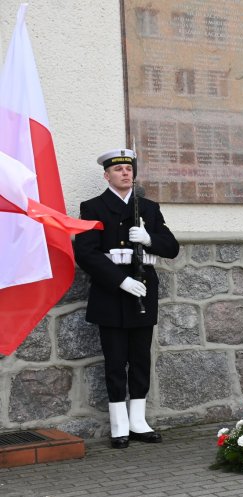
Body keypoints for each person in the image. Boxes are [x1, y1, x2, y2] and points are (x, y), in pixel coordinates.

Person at [73, 149, 180, 449]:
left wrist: (149, 239)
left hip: (143, 291)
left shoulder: (148, 208)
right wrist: (121, 280)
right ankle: (119, 425)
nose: (125, 172)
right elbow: (86, 252)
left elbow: (172, 247)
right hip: (111, 293)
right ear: (106, 175)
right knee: (115, 361)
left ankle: (138, 421)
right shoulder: (93, 208)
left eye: (128, 168)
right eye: (118, 169)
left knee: (140, 359)